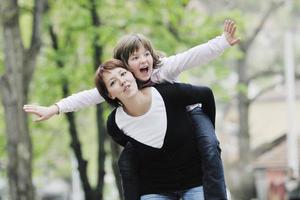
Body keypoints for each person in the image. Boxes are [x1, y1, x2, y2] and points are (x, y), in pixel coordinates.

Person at [24, 20, 239, 199]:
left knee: (210, 147)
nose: (143, 60)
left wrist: (222, 42)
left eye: (146, 54)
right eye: (135, 58)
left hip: (191, 112)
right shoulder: (123, 82)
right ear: (126, 66)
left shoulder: (162, 69)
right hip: (154, 136)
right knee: (126, 161)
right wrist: (55, 108)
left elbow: (193, 56)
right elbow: (87, 97)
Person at [94, 58, 219, 199]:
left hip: (195, 180)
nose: (122, 81)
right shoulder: (115, 124)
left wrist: (208, 133)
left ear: (132, 74)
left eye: (123, 74)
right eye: (113, 82)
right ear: (110, 94)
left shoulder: (167, 93)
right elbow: (130, 144)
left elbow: (206, 94)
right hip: (154, 188)